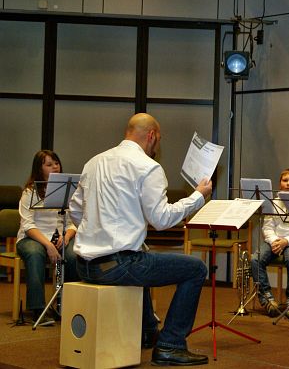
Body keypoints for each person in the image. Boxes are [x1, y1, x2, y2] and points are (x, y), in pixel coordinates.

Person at [69, 113, 213, 366]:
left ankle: (147, 333)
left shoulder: (94, 162)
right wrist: (198, 197)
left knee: (141, 256)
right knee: (195, 269)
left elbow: (76, 211)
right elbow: (162, 219)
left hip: (84, 265)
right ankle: (170, 345)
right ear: (152, 136)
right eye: (159, 140)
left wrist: (99, 234)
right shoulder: (148, 167)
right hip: (116, 267)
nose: (157, 147)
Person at [16, 150, 79, 324]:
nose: (55, 167)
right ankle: (38, 309)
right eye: (49, 164)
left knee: (73, 255)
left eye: (56, 163)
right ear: (39, 168)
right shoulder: (30, 192)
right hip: (32, 238)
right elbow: (28, 225)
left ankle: (65, 305)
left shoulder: (68, 190)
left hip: (60, 236)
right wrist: (48, 245)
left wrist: (67, 236)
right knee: (35, 254)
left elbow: (74, 221)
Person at [251, 168, 289, 319]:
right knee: (255, 259)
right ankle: (267, 299)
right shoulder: (273, 203)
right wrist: (275, 241)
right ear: (280, 183)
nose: (288, 184)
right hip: (275, 240)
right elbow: (267, 227)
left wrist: (286, 241)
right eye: (285, 180)